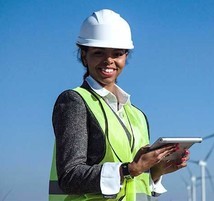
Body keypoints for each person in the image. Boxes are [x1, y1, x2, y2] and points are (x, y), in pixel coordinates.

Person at [49, 9, 190, 201]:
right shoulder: (74, 101)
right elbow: (70, 177)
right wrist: (129, 168)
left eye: (117, 54)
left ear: (125, 57)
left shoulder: (137, 116)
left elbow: (130, 183)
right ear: (84, 56)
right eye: (99, 53)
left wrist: (154, 171)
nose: (109, 60)